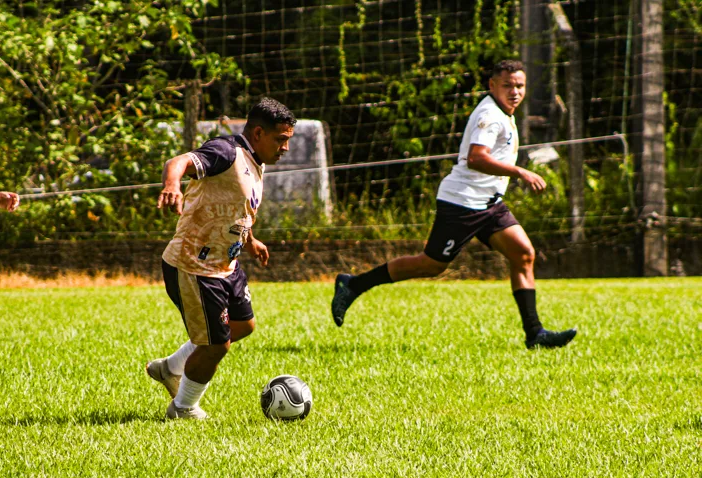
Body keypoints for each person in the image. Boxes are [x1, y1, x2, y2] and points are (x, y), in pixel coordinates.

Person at [331, 60, 576, 350]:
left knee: (523, 254)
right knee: (431, 265)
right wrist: (520, 172)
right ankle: (353, 284)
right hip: (462, 203)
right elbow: (476, 157)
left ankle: (535, 334)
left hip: (489, 203)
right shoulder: (490, 115)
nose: (515, 91)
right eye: (507, 85)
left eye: (519, 86)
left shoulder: (503, 112)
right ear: (492, 85)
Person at [146, 98, 296, 420]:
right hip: (193, 265)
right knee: (217, 345)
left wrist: (250, 240)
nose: (285, 148)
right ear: (258, 133)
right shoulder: (226, 152)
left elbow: (236, 206)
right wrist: (172, 185)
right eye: (280, 139)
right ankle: (183, 408)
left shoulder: (257, 161)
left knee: (243, 325)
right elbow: (178, 161)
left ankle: (170, 368)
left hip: (226, 264)